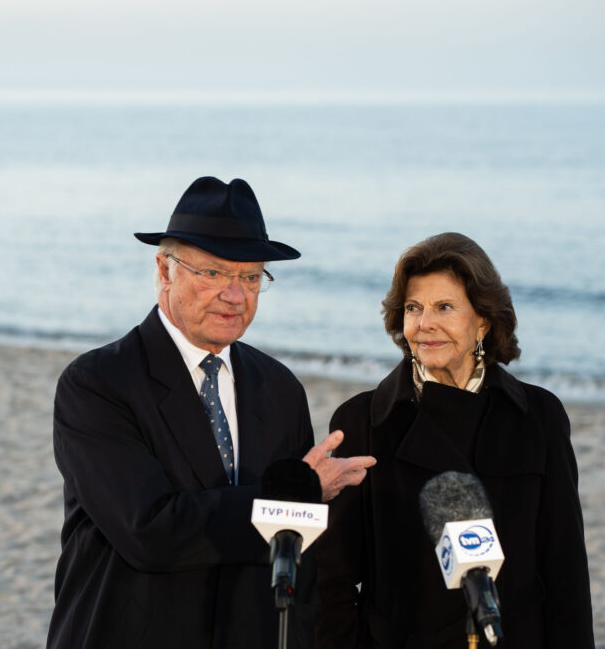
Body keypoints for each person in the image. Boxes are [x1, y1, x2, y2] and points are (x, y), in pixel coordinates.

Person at [47, 176, 377, 649]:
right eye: (214, 273)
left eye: (251, 277)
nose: (235, 296)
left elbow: (299, 558)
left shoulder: (280, 387)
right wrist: (297, 492)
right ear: (165, 271)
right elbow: (150, 532)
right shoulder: (97, 383)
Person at [315, 232, 594, 648]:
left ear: (483, 319)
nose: (425, 324)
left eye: (444, 307)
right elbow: (331, 577)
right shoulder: (362, 422)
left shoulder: (540, 417)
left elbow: (565, 571)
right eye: (413, 308)